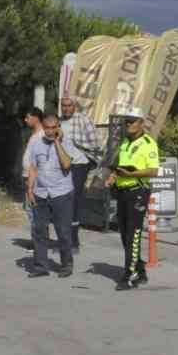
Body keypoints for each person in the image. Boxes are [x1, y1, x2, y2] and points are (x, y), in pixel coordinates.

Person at [109, 107, 160, 290]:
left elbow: (153, 171)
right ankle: (140, 269)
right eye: (126, 122)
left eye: (132, 121)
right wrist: (114, 176)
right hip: (122, 191)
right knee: (124, 235)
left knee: (133, 234)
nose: (128, 125)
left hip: (137, 191)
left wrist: (132, 174)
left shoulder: (148, 143)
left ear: (141, 123)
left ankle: (129, 276)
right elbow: (121, 167)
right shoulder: (125, 142)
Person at [24, 112, 74, 277]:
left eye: (54, 128)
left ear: (58, 127)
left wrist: (57, 143)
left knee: (63, 231)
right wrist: (30, 190)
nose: (50, 131)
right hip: (41, 193)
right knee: (39, 230)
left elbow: (67, 164)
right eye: (47, 128)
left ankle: (66, 265)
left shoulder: (66, 142)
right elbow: (32, 168)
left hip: (61, 193)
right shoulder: (36, 143)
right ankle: (41, 267)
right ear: (43, 128)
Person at [59, 95, 102, 249]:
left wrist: (89, 159)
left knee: (74, 199)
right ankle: (65, 238)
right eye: (63, 105)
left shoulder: (83, 120)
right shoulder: (58, 122)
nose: (66, 108)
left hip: (79, 165)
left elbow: (96, 142)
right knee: (63, 200)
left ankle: (73, 240)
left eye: (69, 105)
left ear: (74, 106)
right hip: (63, 166)